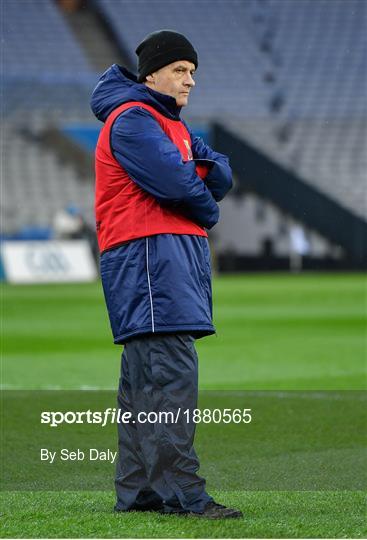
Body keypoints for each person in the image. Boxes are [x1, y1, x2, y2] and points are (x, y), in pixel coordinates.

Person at [91, 30, 242, 519]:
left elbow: (222, 170)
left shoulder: (167, 123)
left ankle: (138, 492)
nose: (190, 80)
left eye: (193, 71)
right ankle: (183, 494)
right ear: (150, 73)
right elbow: (180, 184)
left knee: (143, 381)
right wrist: (206, 210)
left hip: (161, 261)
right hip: (150, 263)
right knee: (170, 375)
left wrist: (195, 176)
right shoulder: (134, 120)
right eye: (180, 70)